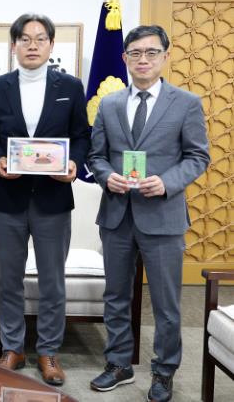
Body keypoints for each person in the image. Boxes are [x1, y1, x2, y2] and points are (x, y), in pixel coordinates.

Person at [88, 25, 209, 402]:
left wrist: (167, 182)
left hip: (163, 216)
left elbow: (198, 156)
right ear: (124, 58)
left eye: (151, 52)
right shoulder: (109, 104)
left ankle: (164, 370)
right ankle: (118, 363)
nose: (143, 59)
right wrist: (107, 176)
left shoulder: (186, 103)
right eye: (135, 53)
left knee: (166, 301)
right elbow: (96, 156)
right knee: (115, 295)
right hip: (117, 215)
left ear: (165, 56)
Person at [0, 13, 90, 385]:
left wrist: (73, 163)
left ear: (51, 45)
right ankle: (13, 347)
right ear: (14, 45)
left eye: (40, 39)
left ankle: (49, 351)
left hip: (53, 198)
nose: (32, 45)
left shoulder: (70, 86)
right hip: (9, 197)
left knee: (52, 280)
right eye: (25, 39)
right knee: (9, 278)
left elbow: (81, 135)